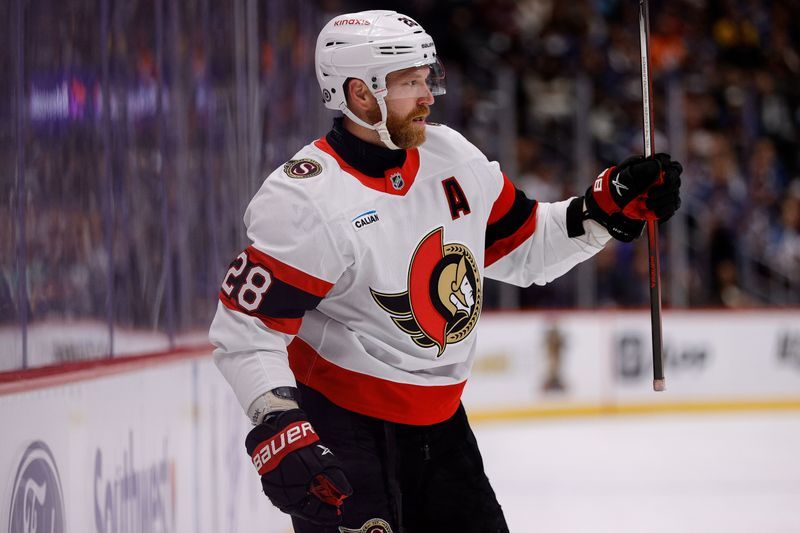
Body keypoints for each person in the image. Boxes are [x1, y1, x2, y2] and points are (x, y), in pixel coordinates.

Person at [209, 9, 682, 533]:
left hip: (441, 426)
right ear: (359, 93)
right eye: (409, 82)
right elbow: (246, 327)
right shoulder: (306, 198)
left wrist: (605, 208)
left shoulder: (450, 155)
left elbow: (526, 245)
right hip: (345, 428)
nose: (429, 95)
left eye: (427, 77)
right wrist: (277, 421)